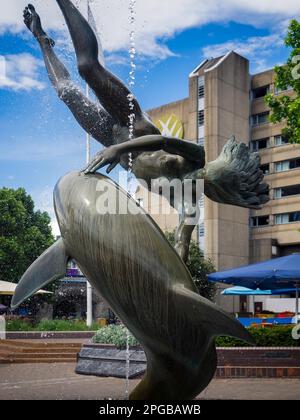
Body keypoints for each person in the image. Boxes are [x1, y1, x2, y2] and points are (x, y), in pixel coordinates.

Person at [23, 1, 269, 262]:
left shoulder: (187, 201)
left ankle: (41, 39)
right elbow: (162, 140)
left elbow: (181, 243)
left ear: (219, 190)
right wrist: (117, 149)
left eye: (210, 183)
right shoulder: (197, 156)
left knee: (66, 93)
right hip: (134, 127)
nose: (203, 176)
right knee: (88, 67)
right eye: (210, 172)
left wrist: (177, 264)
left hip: (115, 147)